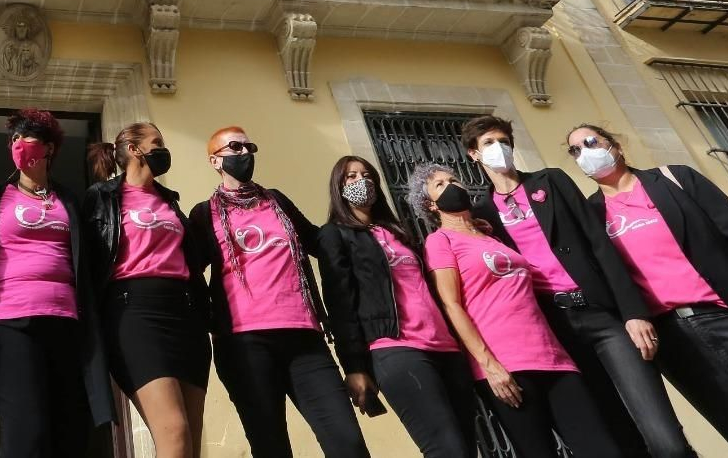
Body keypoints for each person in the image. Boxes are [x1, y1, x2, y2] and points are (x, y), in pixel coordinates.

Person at [459, 115, 687, 458]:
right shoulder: (483, 213)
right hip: (555, 327)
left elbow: (599, 243)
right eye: (489, 143)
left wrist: (633, 311)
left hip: (601, 316)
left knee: (662, 434)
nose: (499, 148)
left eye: (503, 140)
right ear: (474, 154)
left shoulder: (551, 181)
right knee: (613, 428)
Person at [570, 122, 728, 457]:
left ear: (615, 145)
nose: (584, 153)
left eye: (590, 142)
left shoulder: (675, 179)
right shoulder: (591, 214)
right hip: (675, 339)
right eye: (575, 150)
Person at [414, 162, 619, 458]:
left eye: (453, 179)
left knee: (602, 448)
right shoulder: (440, 241)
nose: (452, 186)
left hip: (554, 358)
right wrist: (489, 365)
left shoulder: (493, 237)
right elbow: (451, 304)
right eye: (440, 185)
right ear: (430, 204)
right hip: (506, 365)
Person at [190, 127, 369, 457]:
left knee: (348, 443)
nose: (245, 153)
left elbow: (319, 242)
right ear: (215, 160)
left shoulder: (276, 201)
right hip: (244, 345)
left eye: (249, 146)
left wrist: (365, 228)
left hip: (305, 338)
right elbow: (189, 274)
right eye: (235, 147)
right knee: (271, 448)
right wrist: (209, 323)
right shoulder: (204, 214)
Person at [0, 108, 113, 458]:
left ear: (49, 148)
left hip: (67, 324)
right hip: (8, 323)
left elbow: (96, 253)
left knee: (68, 433)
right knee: (26, 434)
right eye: (14, 138)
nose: (19, 144)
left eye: (28, 136)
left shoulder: (69, 201)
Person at [317, 156, 477, 458]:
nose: (361, 181)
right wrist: (353, 366)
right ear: (338, 187)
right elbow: (340, 302)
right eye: (351, 177)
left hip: (446, 349)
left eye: (366, 175)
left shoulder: (398, 232)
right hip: (395, 347)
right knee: (447, 449)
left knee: (467, 447)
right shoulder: (335, 234)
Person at [84, 123, 207, 458]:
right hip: (134, 312)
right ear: (135, 150)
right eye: (157, 143)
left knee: (192, 445)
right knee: (174, 433)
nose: (163, 149)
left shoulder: (170, 202)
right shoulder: (102, 197)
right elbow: (87, 258)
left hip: (186, 315)